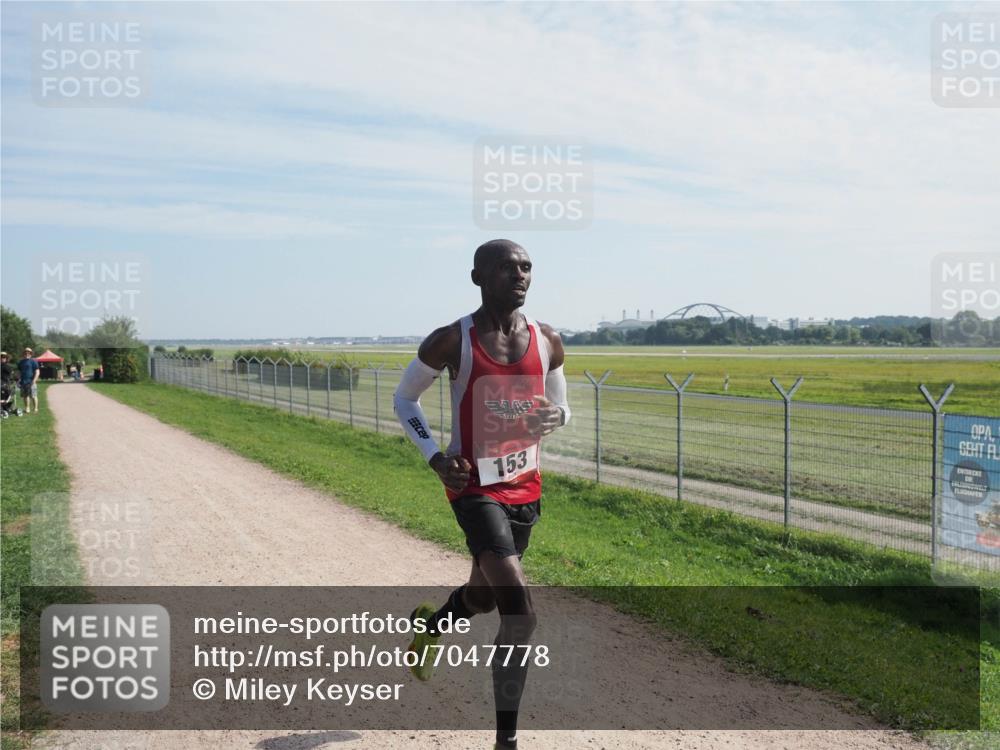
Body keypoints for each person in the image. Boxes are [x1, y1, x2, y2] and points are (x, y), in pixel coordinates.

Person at [394, 239, 570, 750]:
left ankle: (433, 624)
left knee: (485, 596)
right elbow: (405, 398)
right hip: (474, 487)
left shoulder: (549, 340)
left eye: (527, 267)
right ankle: (506, 742)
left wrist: (553, 419)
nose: (520, 275)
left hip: (527, 487)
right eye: (506, 267)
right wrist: (434, 458)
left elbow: (562, 410)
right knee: (521, 613)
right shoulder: (452, 341)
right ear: (478, 277)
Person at [17, 348, 41, 414]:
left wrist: (34, 380)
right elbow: (19, 372)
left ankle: (35, 408)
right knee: (25, 396)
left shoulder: (33, 361)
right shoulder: (21, 362)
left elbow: (37, 372)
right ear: (23, 354)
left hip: (31, 381)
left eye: (29, 353)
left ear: (31, 354)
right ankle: (27, 408)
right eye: (25, 353)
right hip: (23, 382)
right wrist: (18, 380)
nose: (27, 354)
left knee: (33, 395)